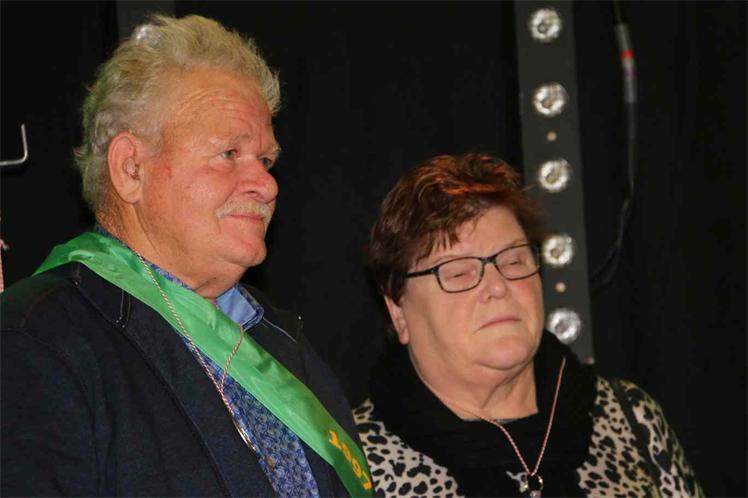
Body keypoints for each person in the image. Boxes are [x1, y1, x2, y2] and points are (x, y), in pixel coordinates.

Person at [1, 15, 372, 497]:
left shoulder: (284, 344)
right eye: (229, 153)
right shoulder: (35, 343)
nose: (266, 184)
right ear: (131, 168)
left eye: (265, 160)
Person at [354, 153, 702, 497]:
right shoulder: (355, 465)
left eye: (513, 260)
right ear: (398, 311)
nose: (497, 286)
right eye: (458, 272)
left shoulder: (630, 419)